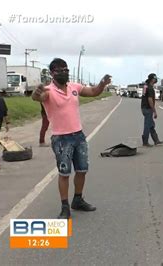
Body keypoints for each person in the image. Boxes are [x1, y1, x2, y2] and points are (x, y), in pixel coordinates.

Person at [31, 58, 112, 219]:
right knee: (65, 173)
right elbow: (37, 97)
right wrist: (36, 92)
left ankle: (78, 200)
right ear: (52, 73)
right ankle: (64, 206)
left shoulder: (74, 87)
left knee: (82, 170)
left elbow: (93, 92)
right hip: (61, 139)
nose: (64, 73)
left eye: (66, 70)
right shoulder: (48, 90)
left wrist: (102, 83)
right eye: (60, 70)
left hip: (79, 136)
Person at [141, 73, 163, 147]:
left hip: (144, 107)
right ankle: (145, 142)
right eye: (155, 78)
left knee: (151, 124)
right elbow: (150, 99)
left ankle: (156, 140)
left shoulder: (145, 86)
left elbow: (144, 97)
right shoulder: (150, 88)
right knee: (147, 125)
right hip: (148, 108)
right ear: (152, 79)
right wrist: (154, 111)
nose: (156, 80)